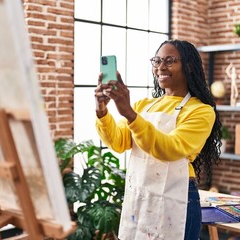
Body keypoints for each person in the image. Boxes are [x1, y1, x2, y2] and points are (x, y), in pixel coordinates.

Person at [94, 39, 222, 240]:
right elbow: (119, 142)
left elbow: (170, 149)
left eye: (170, 61)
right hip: (142, 195)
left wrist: (130, 114)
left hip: (177, 199)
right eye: (157, 61)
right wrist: (101, 110)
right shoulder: (144, 105)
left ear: (188, 66)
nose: (161, 67)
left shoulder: (201, 111)